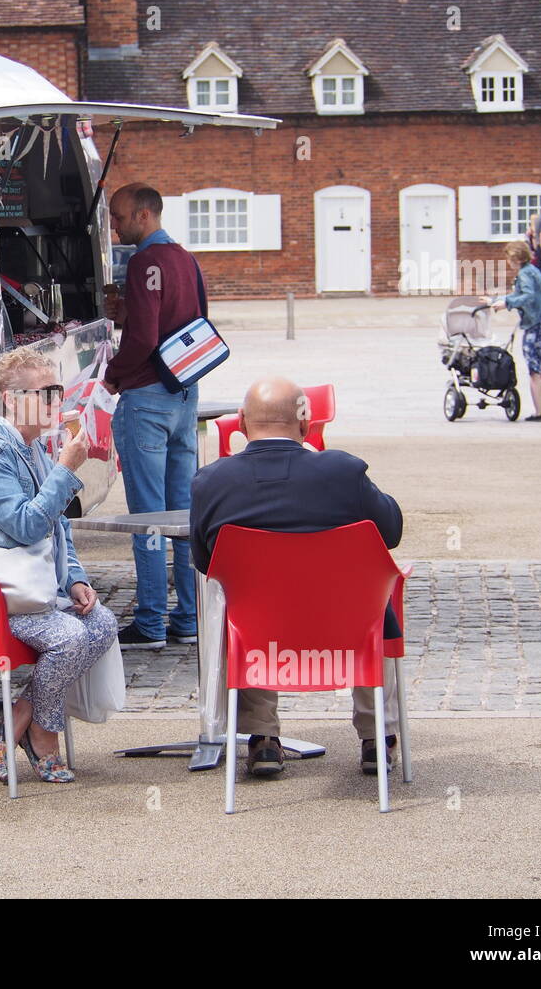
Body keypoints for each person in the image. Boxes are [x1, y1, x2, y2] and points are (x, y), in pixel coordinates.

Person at [189, 377, 404, 777]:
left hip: (260, 639)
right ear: (305, 424)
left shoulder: (211, 482)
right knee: (375, 602)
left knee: (245, 599)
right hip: (346, 633)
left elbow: (205, 562)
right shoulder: (344, 472)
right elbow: (390, 532)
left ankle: (262, 738)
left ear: (240, 423)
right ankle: (378, 736)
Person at [0, 346, 118, 784]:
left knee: (101, 623)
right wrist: (67, 469)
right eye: (45, 394)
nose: (57, 402)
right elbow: (27, 526)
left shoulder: (32, 449)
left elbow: (58, 529)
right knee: (68, 635)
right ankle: (44, 732)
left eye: (59, 392)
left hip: (11, 593)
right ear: (12, 399)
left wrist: (75, 580)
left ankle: (19, 713)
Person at [103, 182, 202, 650]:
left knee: (148, 516)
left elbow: (143, 336)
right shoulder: (186, 258)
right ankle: (189, 615)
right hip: (186, 392)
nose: (114, 225)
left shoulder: (144, 262)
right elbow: (188, 321)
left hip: (145, 396)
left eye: (119, 217)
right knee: (183, 512)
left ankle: (149, 621)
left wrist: (113, 374)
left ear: (144, 215)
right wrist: (125, 309)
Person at [488, 242, 541, 420]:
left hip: (535, 326)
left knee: (534, 370)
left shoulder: (524, 274)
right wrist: (496, 299)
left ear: (516, 258)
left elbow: (527, 296)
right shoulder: (533, 270)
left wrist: (506, 304)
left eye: (510, 259)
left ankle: (538, 412)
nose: (509, 263)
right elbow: (523, 294)